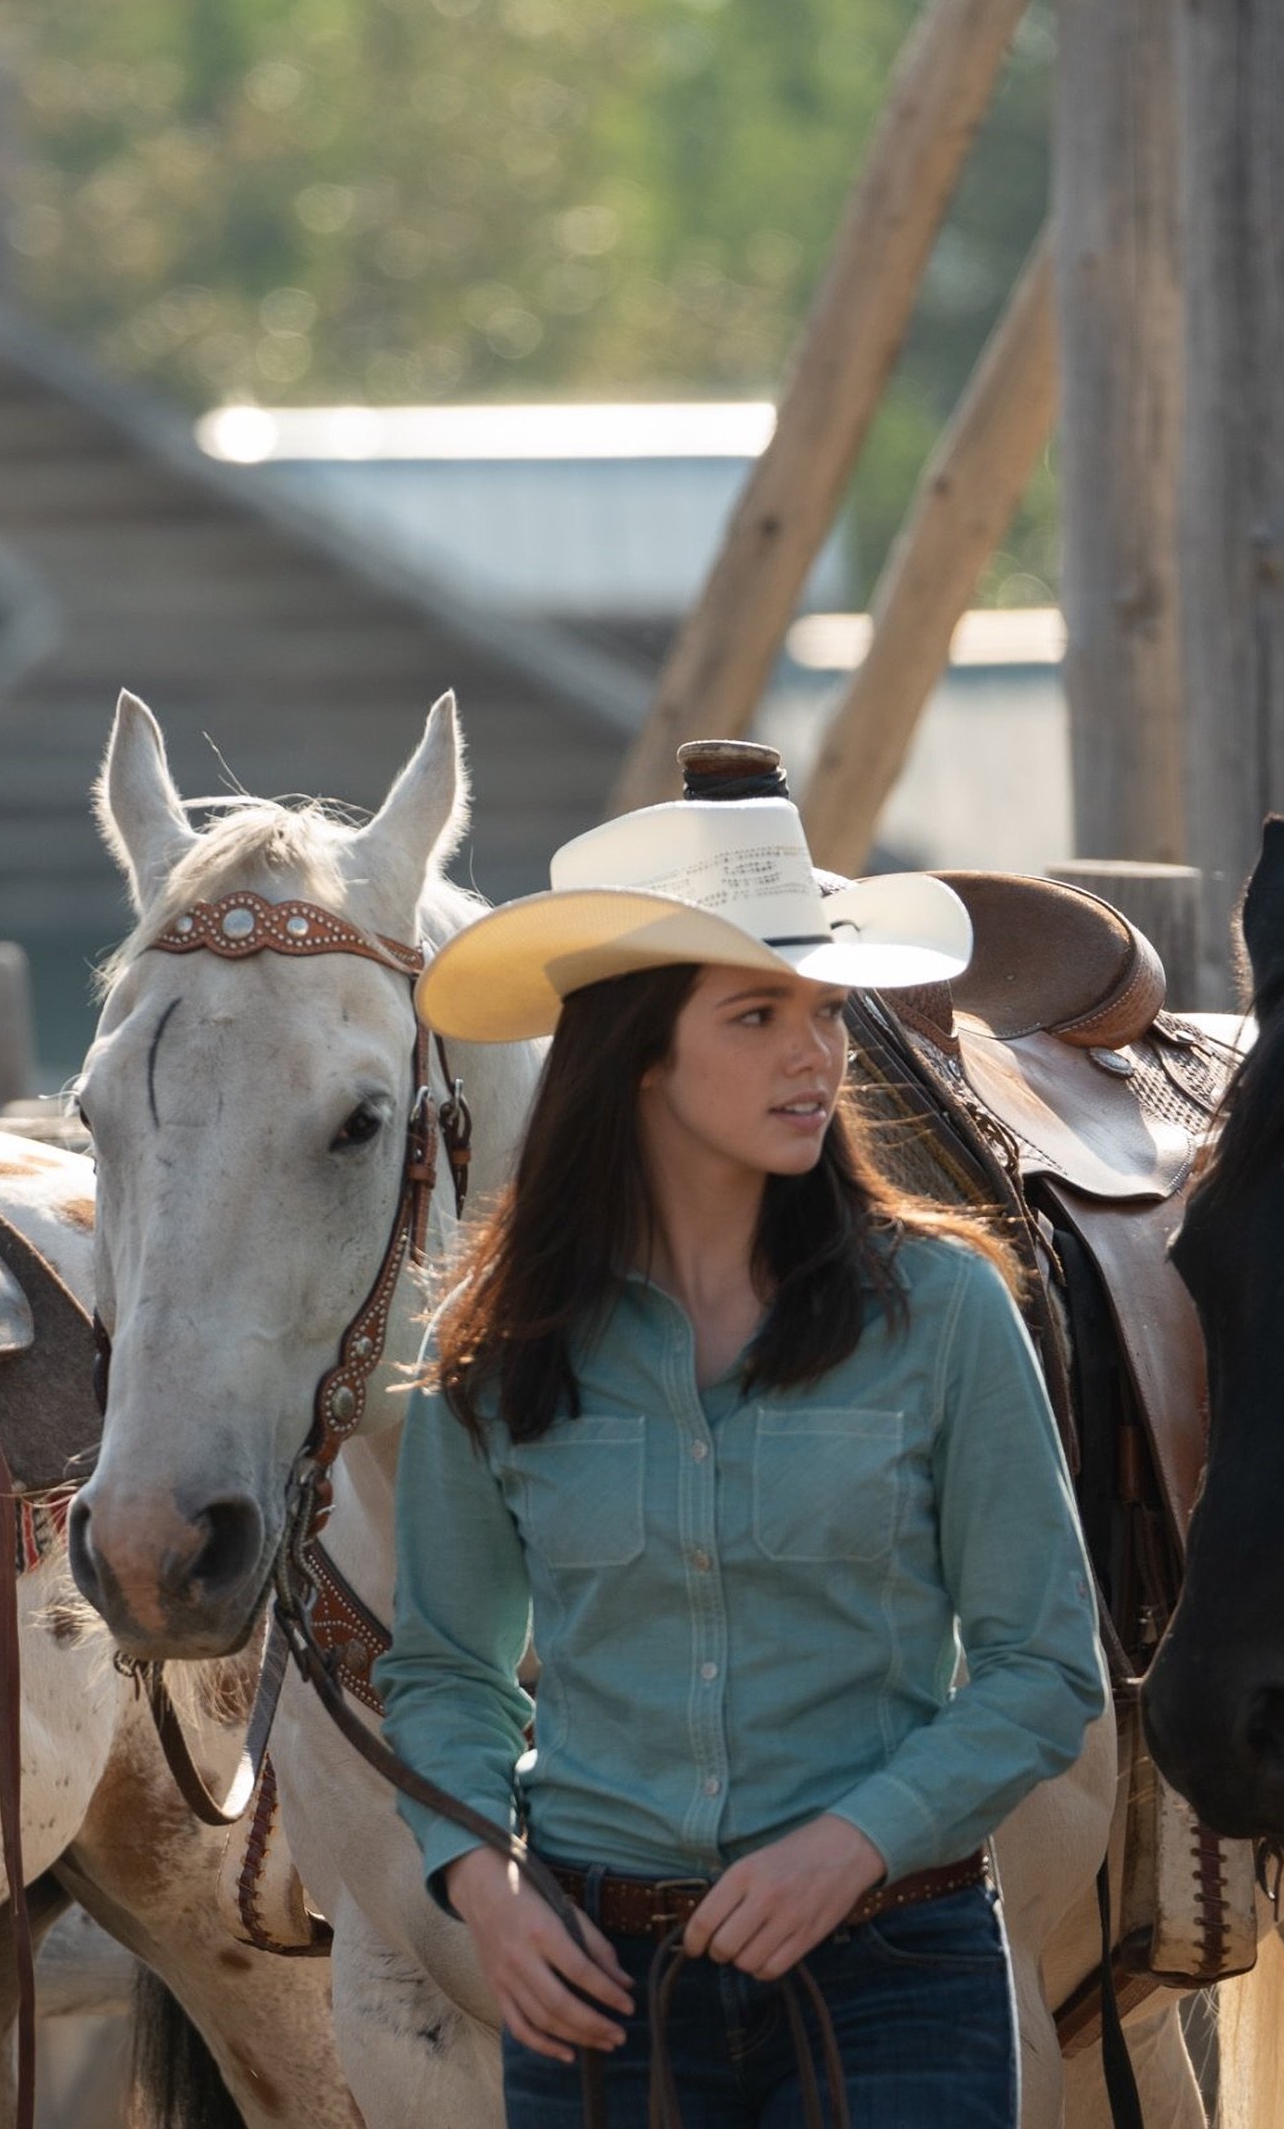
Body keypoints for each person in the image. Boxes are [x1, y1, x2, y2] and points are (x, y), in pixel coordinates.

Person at [384, 763, 1107, 2128]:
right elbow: (442, 1673)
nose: (817, 1055)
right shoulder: (497, 1346)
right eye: (760, 1013)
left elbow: (1041, 1669)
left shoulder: (941, 1307)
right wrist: (482, 1880)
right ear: (639, 1050)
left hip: (896, 1967)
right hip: (598, 1987)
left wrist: (852, 1845)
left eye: (827, 1011)